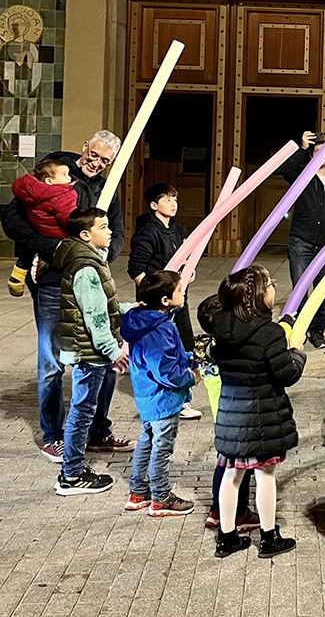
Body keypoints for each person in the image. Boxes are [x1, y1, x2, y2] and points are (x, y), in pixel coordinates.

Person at [1, 130, 132, 462]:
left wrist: (105, 254)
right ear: (85, 146)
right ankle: (53, 435)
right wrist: (57, 248)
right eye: (94, 154)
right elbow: (12, 219)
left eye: (104, 160)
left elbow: (116, 231)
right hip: (51, 281)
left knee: (103, 355)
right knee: (52, 362)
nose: (96, 162)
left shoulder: (107, 188)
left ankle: (97, 430)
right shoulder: (54, 173)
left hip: (90, 280)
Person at [213, 265, 305, 558]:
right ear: (258, 296)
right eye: (269, 284)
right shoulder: (270, 334)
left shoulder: (221, 329)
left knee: (232, 474)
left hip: (231, 415)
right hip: (261, 417)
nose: (274, 288)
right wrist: (297, 352)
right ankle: (268, 538)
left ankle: (227, 537)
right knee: (265, 475)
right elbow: (287, 374)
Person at [53, 207, 131, 496]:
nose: (110, 232)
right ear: (85, 235)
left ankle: (73, 470)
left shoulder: (91, 260)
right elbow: (94, 317)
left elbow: (105, 306)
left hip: (89, 350)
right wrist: (113, 351)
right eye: (103, 227)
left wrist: (131, 309)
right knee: (82, 411)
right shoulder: (86, 268)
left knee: (83, 410)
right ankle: (71, 475)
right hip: (88, 353)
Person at [120, 270, 198, 516]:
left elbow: (168, 356)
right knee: (162, 448)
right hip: (163, 398)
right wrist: (191, 377)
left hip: (148, 396)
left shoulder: (144, 321)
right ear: (165, 300)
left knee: (147, 441)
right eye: (179, 290)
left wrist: (188, 358)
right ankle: (161, 497)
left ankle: (138, 492)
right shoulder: (159, 328)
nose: (183, 293)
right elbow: (165, 369)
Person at [127, 183, 201, 420]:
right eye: (167, 199)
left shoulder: (179, 229)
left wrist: (188, 271)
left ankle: (182, 397)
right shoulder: (147, 231)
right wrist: (156, 294)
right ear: (153, 205)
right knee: (161, 347)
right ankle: (167, 398)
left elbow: (186, 258)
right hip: (158, 303)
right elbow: (136, 269)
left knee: (184, 340)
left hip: (177, 296)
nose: (173, 204)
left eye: (175, 199)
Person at [279, 131, 325, 349]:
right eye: (317, 151)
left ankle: (317, 331)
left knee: (322, 290)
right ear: (312, 156)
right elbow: (285, 170)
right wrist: (301, 147)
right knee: (300, 289)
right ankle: (298, 329)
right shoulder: (304, 176)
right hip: (302, 240)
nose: (322, 155)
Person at [193, 294, 258, 533]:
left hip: (221, 416)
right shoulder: (230, 349)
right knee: (241, 467)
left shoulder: (203, 347)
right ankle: (239, 513)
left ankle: (217, 509)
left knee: (224, 463)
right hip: (240, 412)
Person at [8, 159, 76, 296]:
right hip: (56, 231)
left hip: (39, 227)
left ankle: (18, 273)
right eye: (64, 174)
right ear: (49, 181)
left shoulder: (32, 192)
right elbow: (68, 218)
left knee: (30, 250)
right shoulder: (62, 195)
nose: (69, 178)